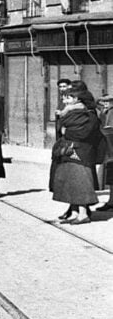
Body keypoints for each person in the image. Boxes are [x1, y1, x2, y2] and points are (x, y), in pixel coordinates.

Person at [52, 87, 100, 224]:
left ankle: (83, 213)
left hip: (81, 152)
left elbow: (84, 134)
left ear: (77, 99)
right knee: (69, 182)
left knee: (80, 183)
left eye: (68, 98)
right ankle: (74, 212)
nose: (64, 100)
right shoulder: (69, 113)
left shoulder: (88, 114)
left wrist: (66, 132)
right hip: (69, 151)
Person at [97, 95, 113, 212]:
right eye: (104, 101)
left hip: (111, 147)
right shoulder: (104, 112)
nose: (105, 103)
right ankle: (111, 201)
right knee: (110, 177)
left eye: (108, 101)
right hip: (109, 148)